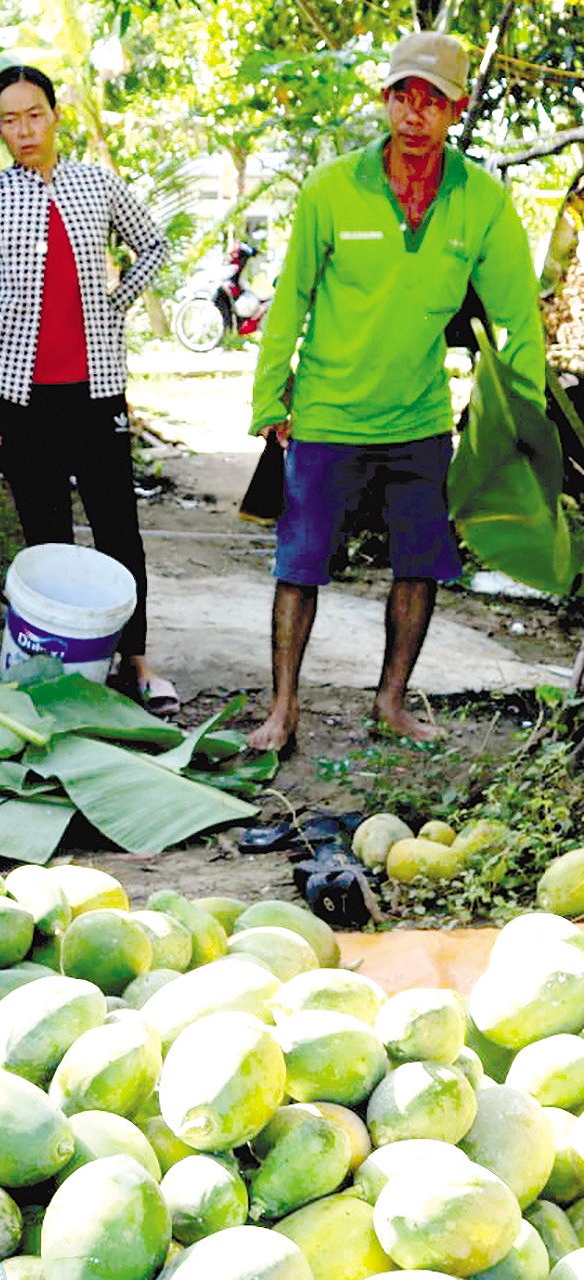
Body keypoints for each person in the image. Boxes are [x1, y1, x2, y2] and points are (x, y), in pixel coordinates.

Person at [246, 31, 546, 752]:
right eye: (401, 96)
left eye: (431, 100)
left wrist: (522, 415)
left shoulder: (482, 203)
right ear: (385, 100)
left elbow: (517, 316)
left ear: (456, 109)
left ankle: (389, 701)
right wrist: (267, 403)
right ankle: (282, 710)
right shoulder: (329, 190)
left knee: (419, 563)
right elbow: (290, 298)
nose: (414, 113)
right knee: (299, 565)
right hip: (324, 412)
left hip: (417, 416)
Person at [0, 64, 176, 715]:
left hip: (95, 391)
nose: (23, 129)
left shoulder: (96, 184)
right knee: (46, 536)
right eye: (9, 119)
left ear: (55, 115)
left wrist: (112, 306)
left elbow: (153, 244)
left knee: (118, 526)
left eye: (34, 114)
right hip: (19, 395)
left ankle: (136, 661)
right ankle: (56, 669)